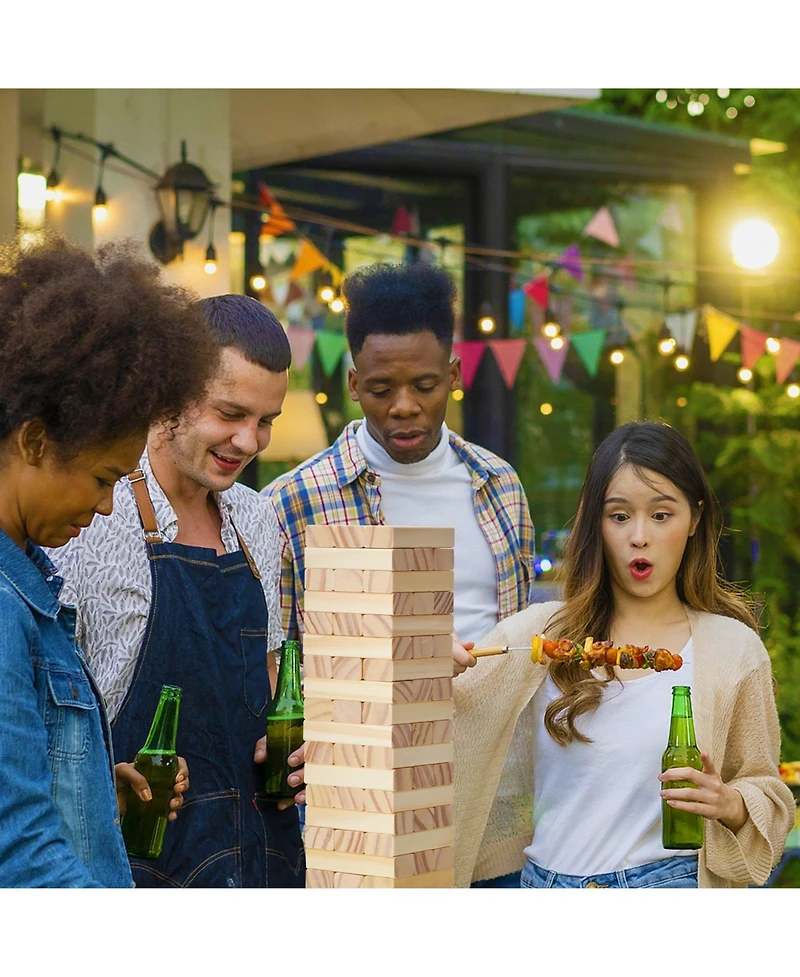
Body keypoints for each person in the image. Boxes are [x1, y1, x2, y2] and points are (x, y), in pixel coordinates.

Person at [264, 262, 533, 886]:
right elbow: (276, 662)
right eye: (382, 389)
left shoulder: (499, 486)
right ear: (354, 383)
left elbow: (515, 642)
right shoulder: (295, 501)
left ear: (456, 377)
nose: (405, 407)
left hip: (490, 785)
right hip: (362, 794)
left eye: (425, 385)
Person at [452, 420, 795, 888]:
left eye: (660, 514)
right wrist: (426, 672)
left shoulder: (732, 649)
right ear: (597, 523)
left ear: (694, 519)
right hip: (546, 887)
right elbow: (447, 728)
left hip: (667, 884)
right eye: (618, 516)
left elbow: (765, 790)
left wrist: (731, 803)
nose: (639, 536)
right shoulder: (541, 633)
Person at [51, 294, 306, 888]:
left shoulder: (258, 520)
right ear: (167, 393)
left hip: (260, 858)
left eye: (266, 421)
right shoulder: (91, 515)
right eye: (230, 413)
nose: (248, 441)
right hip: (131, 860)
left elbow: (267, 678)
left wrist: (297, 741)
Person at [0, 236, 213, 886]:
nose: (104, 507)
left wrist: (93, 796)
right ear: (35, 439)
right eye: (101, 478)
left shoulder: (31, 581)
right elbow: (24, 861)